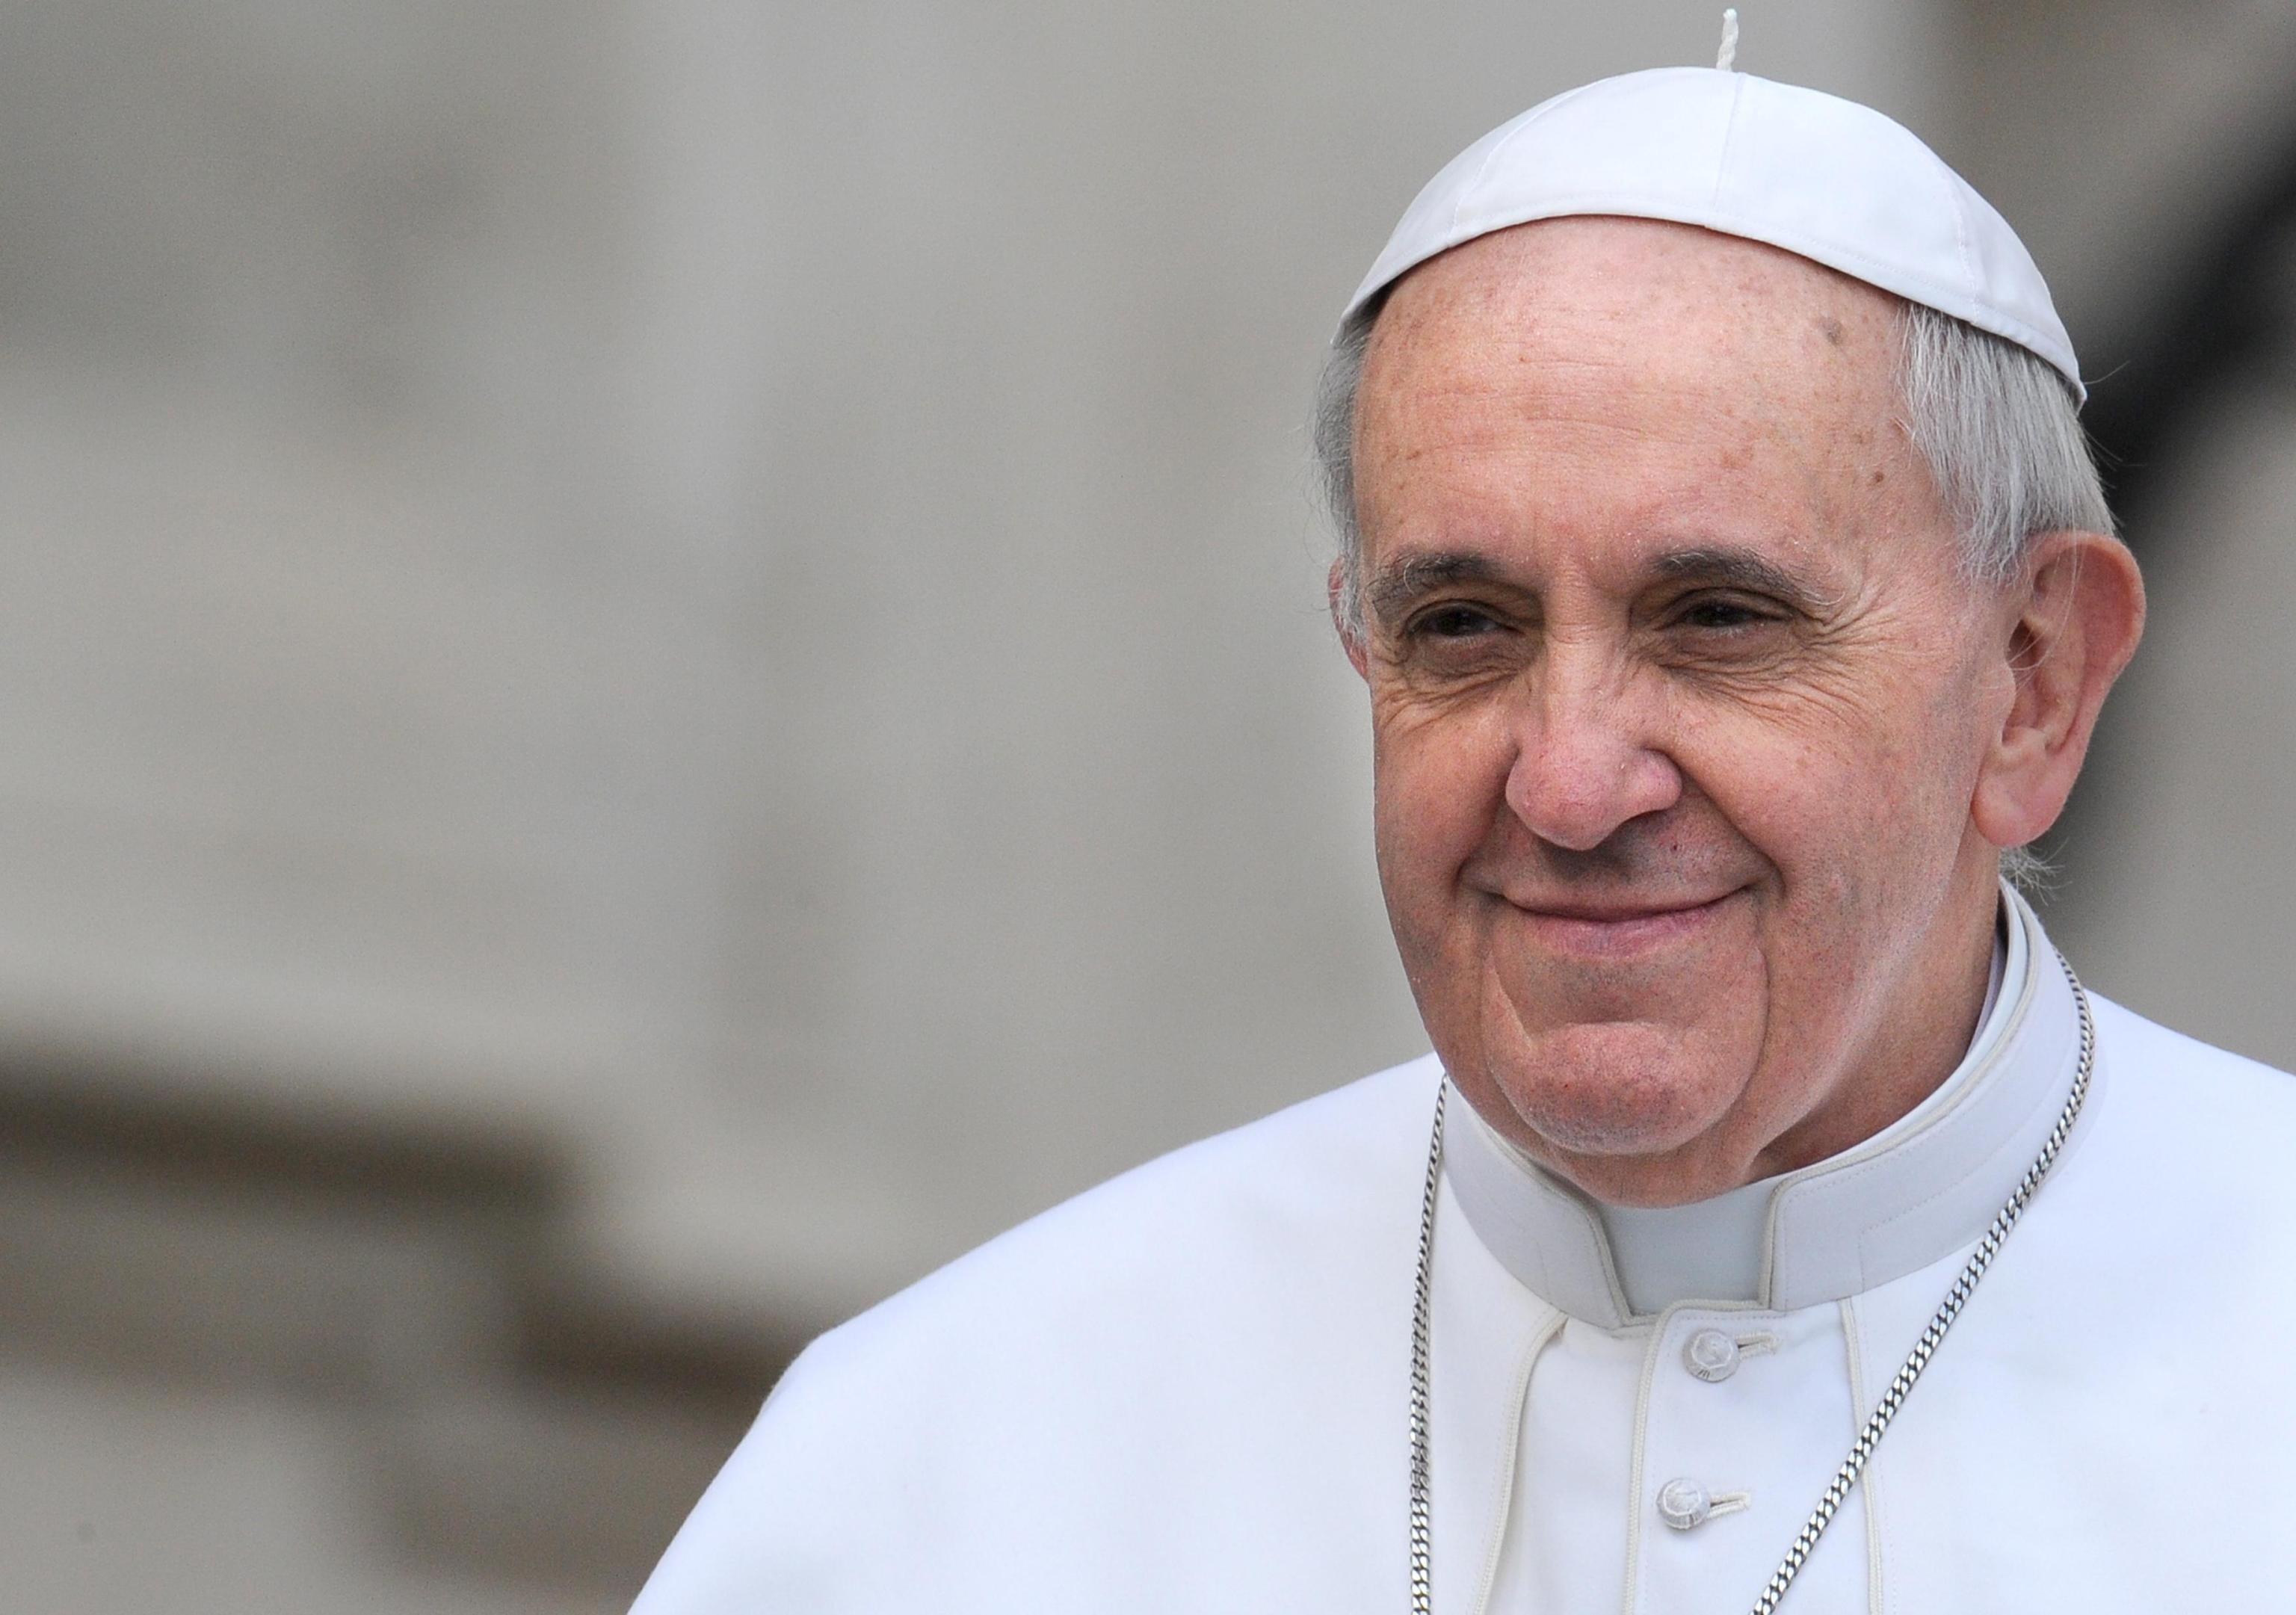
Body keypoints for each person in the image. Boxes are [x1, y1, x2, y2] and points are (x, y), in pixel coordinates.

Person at [632, 58, 2296, 1615]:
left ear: (2034, 684)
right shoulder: (945, 1452)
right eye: (1463, 626)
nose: (1570, 785)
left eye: (1716, 616)